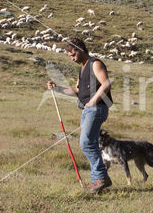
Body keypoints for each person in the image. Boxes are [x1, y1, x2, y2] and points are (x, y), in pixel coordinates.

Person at [47, 37, 113, 194]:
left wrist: (93, 101)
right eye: (69, 56)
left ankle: (101, 178)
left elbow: (106, 84)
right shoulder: (82, 68)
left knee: (86, 143)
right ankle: (98, 181)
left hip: (97, 108)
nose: (71, 58)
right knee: (89, 144)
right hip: (87, 110)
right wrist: (57, 89)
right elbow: (77, 90)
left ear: (80, 49)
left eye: (72, 54)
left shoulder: (95, 63)